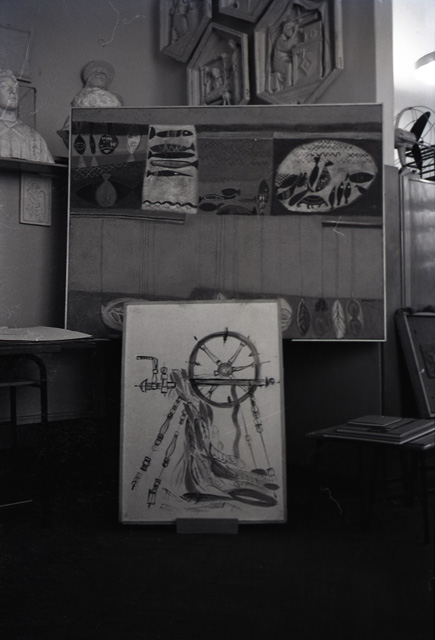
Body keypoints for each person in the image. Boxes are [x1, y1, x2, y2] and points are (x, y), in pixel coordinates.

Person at [57, 60, 123, 146]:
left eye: (103, 77)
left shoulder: (114, 97)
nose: (100, 77)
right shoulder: (84, 94)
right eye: (96, 76)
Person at [0, 68, 54, 163]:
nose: (12, 92)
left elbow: (47, 170)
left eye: (15, 88)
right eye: (4, 87)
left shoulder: (35, 138)